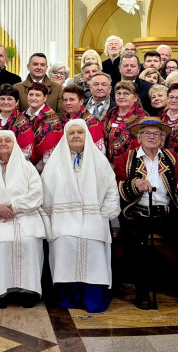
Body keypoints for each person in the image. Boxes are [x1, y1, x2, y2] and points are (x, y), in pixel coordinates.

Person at [113, 118, 178, 310]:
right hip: (137, 213)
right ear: (139, 137)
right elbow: (118, 183)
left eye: (156, 133)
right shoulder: (126, 157)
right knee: (136, 243)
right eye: (147, 133)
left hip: (165, 212)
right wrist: (135, 184)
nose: (152, 137)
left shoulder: (169, 156)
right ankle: (142, 292)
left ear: (162, 139)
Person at [42, 120, 120, 313]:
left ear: (87, 135)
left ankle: (92, 297)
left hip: (93, 217)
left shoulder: (100, 161)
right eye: (71, 133)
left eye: (80, 132)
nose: (76, 136)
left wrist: (105, 213)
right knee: (64, 240)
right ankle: (66, 296)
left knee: (93, 244)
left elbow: (111, 189)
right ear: (65, 137)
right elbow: (45, 193)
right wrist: (50, 218)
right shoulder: (55, 162)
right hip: (63, 218)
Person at [0, 131, 48, 308]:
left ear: (15, 144)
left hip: (26, 215)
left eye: (7, 140)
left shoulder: (28, 167)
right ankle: (1, 292)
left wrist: (15, 207)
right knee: (1, 243)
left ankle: (29, 291)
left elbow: (36, 193)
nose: (3, 144)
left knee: (28, 242)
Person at [103, 81, 147, 164]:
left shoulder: (142, 117)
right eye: (118, 93)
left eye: (126, 94)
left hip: (132, 164)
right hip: (107, 164)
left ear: (135, 97)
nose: (121, 96)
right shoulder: (110, 114)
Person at [22, 82, 64, 169]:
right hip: (23, 164)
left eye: (38, 95)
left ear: (45, 98)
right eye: (31, 94)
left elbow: (50, 150)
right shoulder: (22, 116)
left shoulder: (52, 119)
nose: (33, 98)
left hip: (44, 166)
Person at [0, 83, 33, 159]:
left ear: (17, 102)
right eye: (2, 99)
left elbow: (26, 150)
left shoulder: (22, 122)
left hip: (16, 164)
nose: (5, 102)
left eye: (10, 99)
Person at [61, 85, 105, 152]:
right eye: (65, 100)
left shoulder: (92, 123)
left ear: (81, 101)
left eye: (72, 100)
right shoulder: (63, 121)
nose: (68, 103)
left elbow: (99, 151)